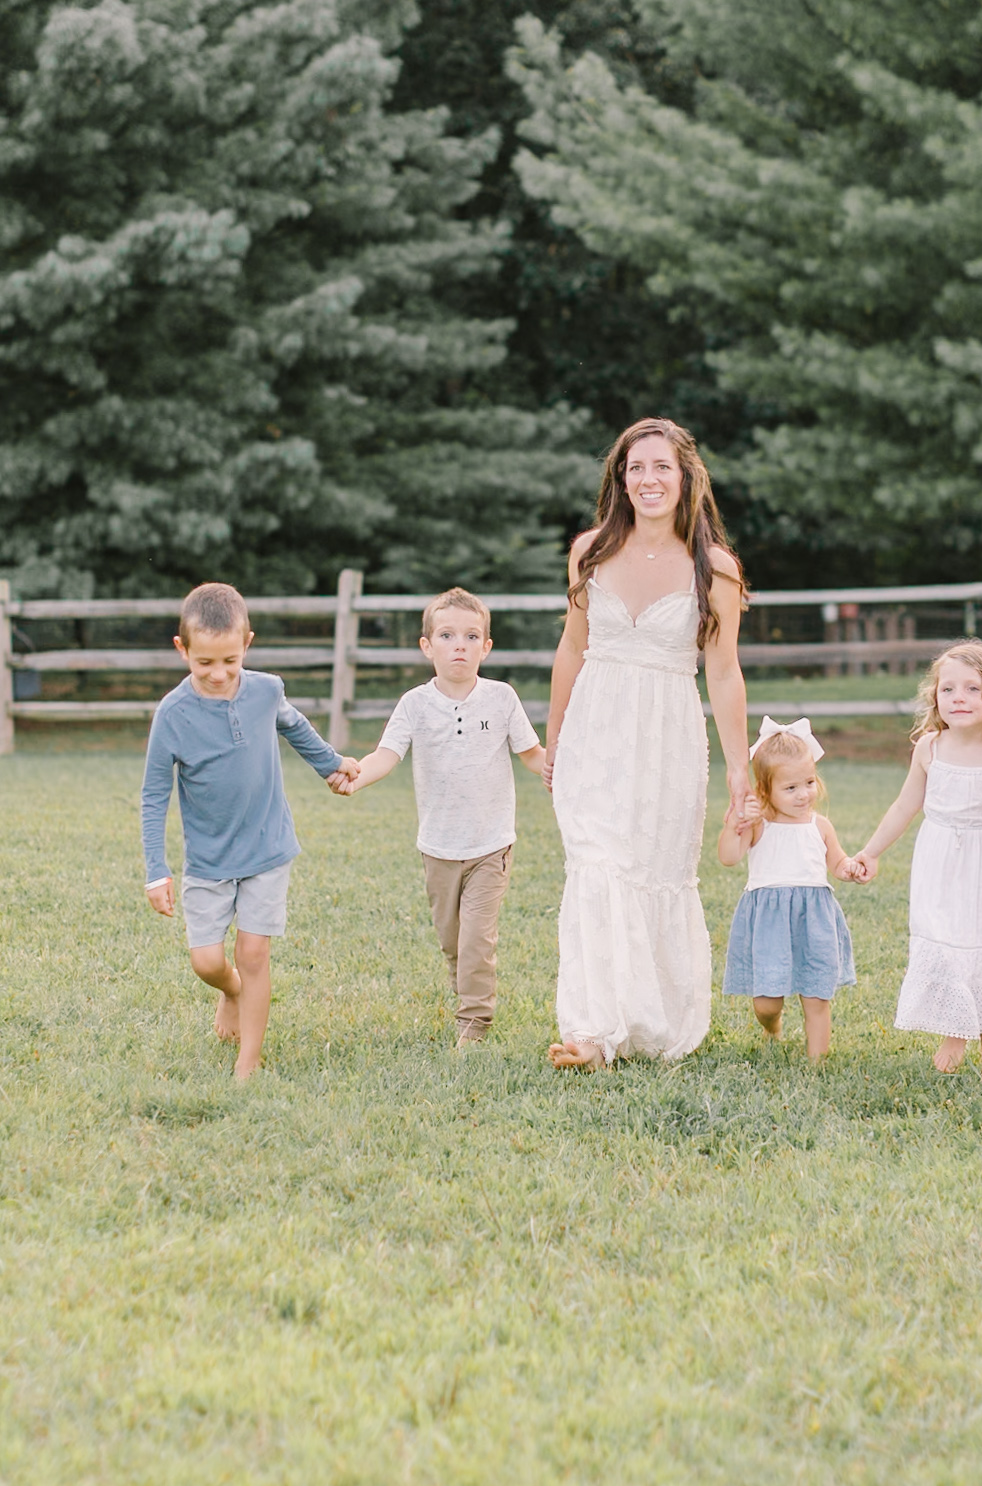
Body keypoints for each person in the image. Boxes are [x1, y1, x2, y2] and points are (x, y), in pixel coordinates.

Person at [543, 418, 751, 1069]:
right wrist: (555, 739)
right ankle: (593, 1032)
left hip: (667, 735)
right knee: (597, 868)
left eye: (662, 466)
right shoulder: (590, 551)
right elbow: (572, 649)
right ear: (620, 478)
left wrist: (741, 773)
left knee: (652, 870)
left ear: (685, 476)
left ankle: (649, 1018)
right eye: (636, 468)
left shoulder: (713, 566)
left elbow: (723, 671)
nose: (649, 479)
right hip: (594, 732)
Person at [141, 581, 359, 1079]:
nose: (219, 674)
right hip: (209, 859)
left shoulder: (266, 690)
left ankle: (249, 1061)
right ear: (183, 651)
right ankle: (232, 990)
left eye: (230, 662)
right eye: (205, 663)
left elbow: (295, 725)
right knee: (206, 961)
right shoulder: (172, 716)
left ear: (248, 645)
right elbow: (154, 796)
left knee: (254, 950)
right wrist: (157, 870)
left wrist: (330, 765)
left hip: (267, 845)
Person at [345, 588, 545, 1047]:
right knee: (453, 940)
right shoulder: (415, 704)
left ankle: (473, 1021)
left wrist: (558, 769)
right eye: (448, 635)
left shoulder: (501, 699)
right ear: (427, 646)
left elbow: (532, 755)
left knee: (477, 938)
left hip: (490, 844)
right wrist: (357, 775)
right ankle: (465, 981)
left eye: (472, 636)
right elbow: (386, 755)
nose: (460, 645)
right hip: (437, 845)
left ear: (486, 647)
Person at [846, 645, 982, 1075]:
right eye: (948, 689)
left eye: (972, 688)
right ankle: (953, 1036)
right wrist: (870, 851)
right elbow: (905, 807)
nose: (958, 697)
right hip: (940, 865)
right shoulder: (929, 748)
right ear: (934, 696)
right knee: (946, 944)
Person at [718, 717, 857, 1061]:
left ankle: (817, 1063)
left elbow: (836, 863)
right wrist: (737, 823)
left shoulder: (820, 826)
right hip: (769, 922)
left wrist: (849, 868)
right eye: (791, 788)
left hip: (814, 919)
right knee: (766, 1002)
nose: (804, 794)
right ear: (765, 791)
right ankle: (772, 1025)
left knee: (816, 996)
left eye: (809, 782)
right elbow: (728, 857)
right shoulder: (758, 825)